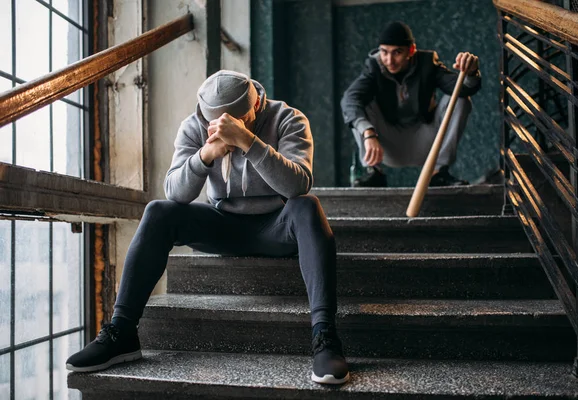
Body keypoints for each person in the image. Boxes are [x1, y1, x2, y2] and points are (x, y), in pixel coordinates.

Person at [66, 70, 350, 385]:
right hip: (223, 225)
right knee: (159, 211)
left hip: (277, 226)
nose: (225, 127)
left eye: (240, 118)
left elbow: (297, 185)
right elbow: (176, 193)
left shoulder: (287, 118)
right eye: (216, 122)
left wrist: (248, 141)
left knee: (307, 206)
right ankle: (122, 332)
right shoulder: (194, 126)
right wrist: (205, 155)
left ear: (255, 106)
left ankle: (325, 334)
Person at [341, 21, 482, 187]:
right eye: (384, 52)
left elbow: (463, 88)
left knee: (459, 100)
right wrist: (368, 132)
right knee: (359, 104)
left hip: (427, 142)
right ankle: (374, 173)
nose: (389, 60)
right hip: (386, 146)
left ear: (411, 50)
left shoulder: (427, 63)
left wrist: (471, 72)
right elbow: (349, 100)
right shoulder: (374, 66)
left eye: (397, 53)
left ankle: (438, 173)